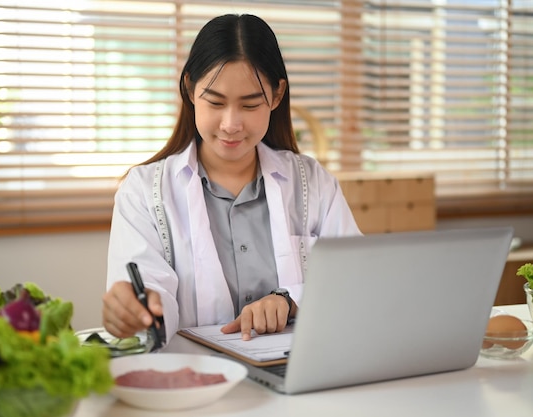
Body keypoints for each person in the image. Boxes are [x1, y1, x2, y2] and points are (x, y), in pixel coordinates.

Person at [102, 14, 361, 344]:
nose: (230, 124)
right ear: (189, 89)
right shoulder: (144, 192)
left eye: (251, 104)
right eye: (215, 102)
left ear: (277, 96)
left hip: (298, 376)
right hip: (199, 382)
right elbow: (148, 292)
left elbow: (357, 282)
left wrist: (291, 299)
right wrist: (136, 309)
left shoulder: (314, 183)